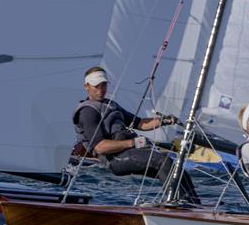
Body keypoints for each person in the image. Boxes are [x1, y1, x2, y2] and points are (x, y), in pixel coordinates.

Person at [72, 66, 198, 202]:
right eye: (96, 86)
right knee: (162, 161)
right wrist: (133, 142)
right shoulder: (87, 112)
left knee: (175, 167)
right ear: (87, 86)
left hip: (128, 152)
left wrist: (165, 120)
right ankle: (177, 203)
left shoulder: (111, 105)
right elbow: (99, 147)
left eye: (103, 85)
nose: (101, 89)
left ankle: (195, 203)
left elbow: (139, 123)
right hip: (115, 159)